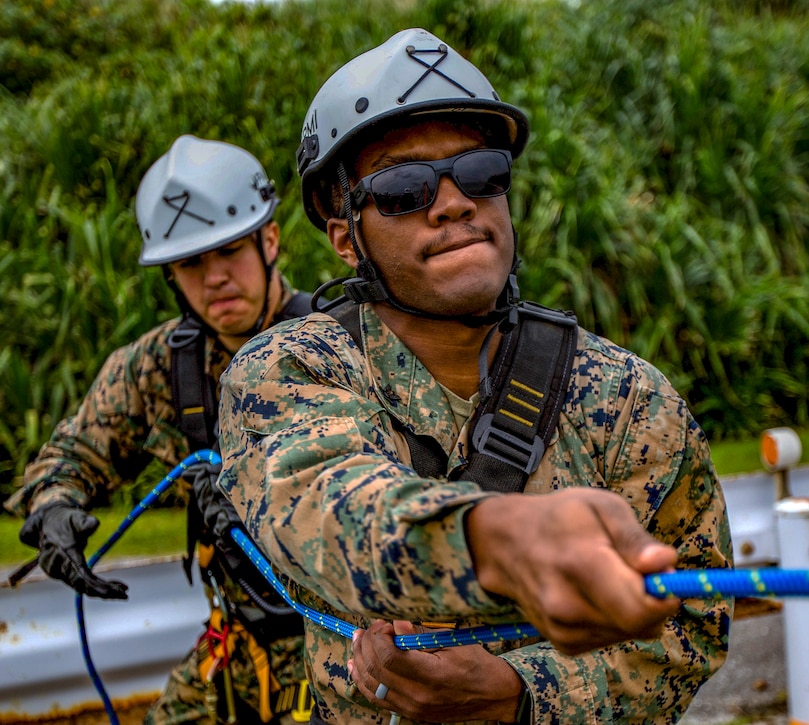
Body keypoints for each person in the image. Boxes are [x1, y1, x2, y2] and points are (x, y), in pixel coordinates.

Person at [216, 28, 733, 725]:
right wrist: (495, 541)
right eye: (404, 187)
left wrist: (522, 693)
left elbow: (694, 625)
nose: (454, 201)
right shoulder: (289, 371)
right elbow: (322, 504)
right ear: (344, 234)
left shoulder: (631, 401)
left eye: (482, 171)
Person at [7, 135, 312, 724]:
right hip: (235, 645)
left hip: (347, 650)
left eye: (229, 252)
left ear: (269, 240)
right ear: (171, 275)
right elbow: (72, 453)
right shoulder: (156, 368)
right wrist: (53, 507)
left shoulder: (341, 339)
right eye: (192, 263)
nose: (215, 277)